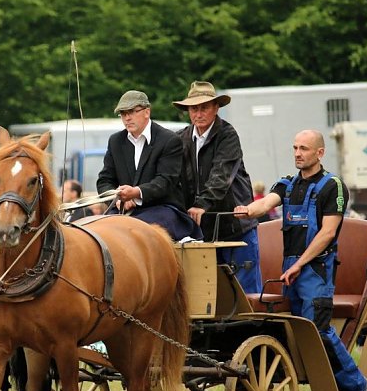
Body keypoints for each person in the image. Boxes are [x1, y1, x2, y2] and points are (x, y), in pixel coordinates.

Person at [234, 129, 367, 391]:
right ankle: (325, 388)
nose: (298, 153)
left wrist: (299, 265)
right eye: (295, 147)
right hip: (291, 272)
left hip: (317, 271)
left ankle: (357, 388)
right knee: (295, 332)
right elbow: (265, 203)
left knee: (317, 332)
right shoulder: (286, 183)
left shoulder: (332, 186)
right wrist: (247, 210)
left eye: (304, 149)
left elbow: (328, 233)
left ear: (320, 153)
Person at [174, 80, 261, 293]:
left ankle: (253, 328)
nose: (198, 113)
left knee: (246, 297)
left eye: (204, 107)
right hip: (202, 231)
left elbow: (221, 175)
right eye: (194, 108)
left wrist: (201, 204)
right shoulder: (180, 138)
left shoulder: (228, 135)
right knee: (209, 297)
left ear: (216, 108)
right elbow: (171, 178)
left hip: (236, 227)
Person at [96, 90, 197, 241]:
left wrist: (135, 193)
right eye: (123, 114)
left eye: (131, 112)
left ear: (147, 112)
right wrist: (117, 199)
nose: (127, 118)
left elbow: (166, 181)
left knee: (134, 231)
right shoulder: (115, 141)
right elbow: (104, 180)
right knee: (99, 231)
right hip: (123, 212)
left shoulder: (169, 140)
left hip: (163, 209)